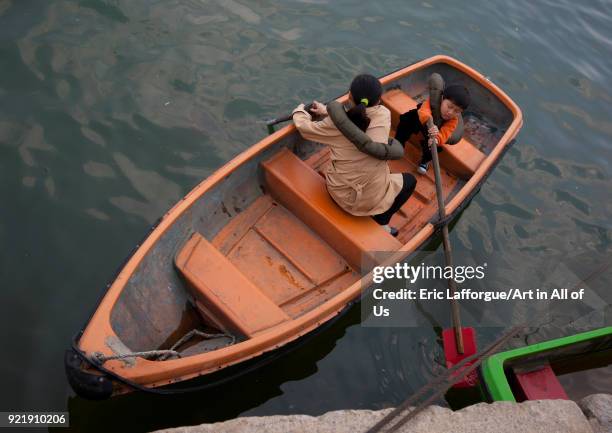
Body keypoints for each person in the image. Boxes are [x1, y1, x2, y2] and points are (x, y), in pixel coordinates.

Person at [292, 74, 416, 237]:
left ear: (349, 95)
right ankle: (382, 222)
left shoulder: (333, 125)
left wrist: (299, 111)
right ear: (379, 100)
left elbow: (305, 128)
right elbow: (356, 121)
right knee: (410, 181)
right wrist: (329, 113)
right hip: (371, 200)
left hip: (338, 194)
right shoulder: (384, 115)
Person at [394, 84, 470, 174]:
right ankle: (398, 143)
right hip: (423, 120)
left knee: (433, 145)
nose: (450, 112)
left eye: (456, 111)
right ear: (442, 99)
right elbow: (423, 111)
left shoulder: (453, 120)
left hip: (434, 132)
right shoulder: (434, 101)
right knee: (406, 120)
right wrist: (429, 122)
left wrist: (437, 139)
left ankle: (425, 161)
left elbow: (445, 133)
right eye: (449, 106)